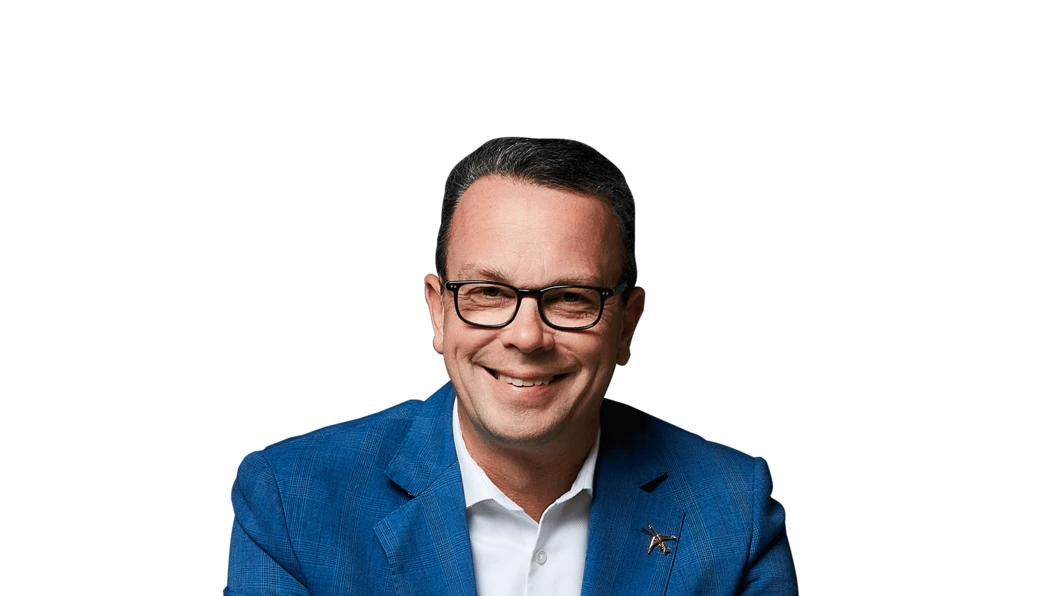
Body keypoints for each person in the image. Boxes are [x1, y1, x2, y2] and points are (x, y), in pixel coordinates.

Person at [225, 137, 798, 595]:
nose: (526, 337)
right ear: (438, 312)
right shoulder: (293, 501)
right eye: (488, 293)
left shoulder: (733, 512)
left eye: (571, 298)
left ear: (626, 323)